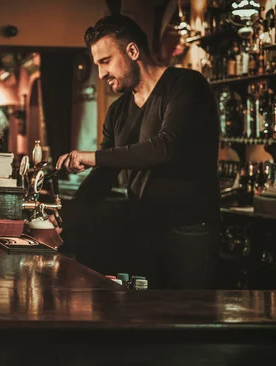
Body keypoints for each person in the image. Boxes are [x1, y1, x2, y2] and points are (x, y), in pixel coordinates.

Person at [56, 14, 220, 290]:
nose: (101, 74)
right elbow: (103, 175)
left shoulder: (186, 86)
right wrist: (63, 221)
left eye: (105, 61)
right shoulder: (118, 111)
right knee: (142, 317)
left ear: (132, 51)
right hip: (142, 229)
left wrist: (92, 156)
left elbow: (166, 147)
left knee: (186, 319)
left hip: (189, 231)